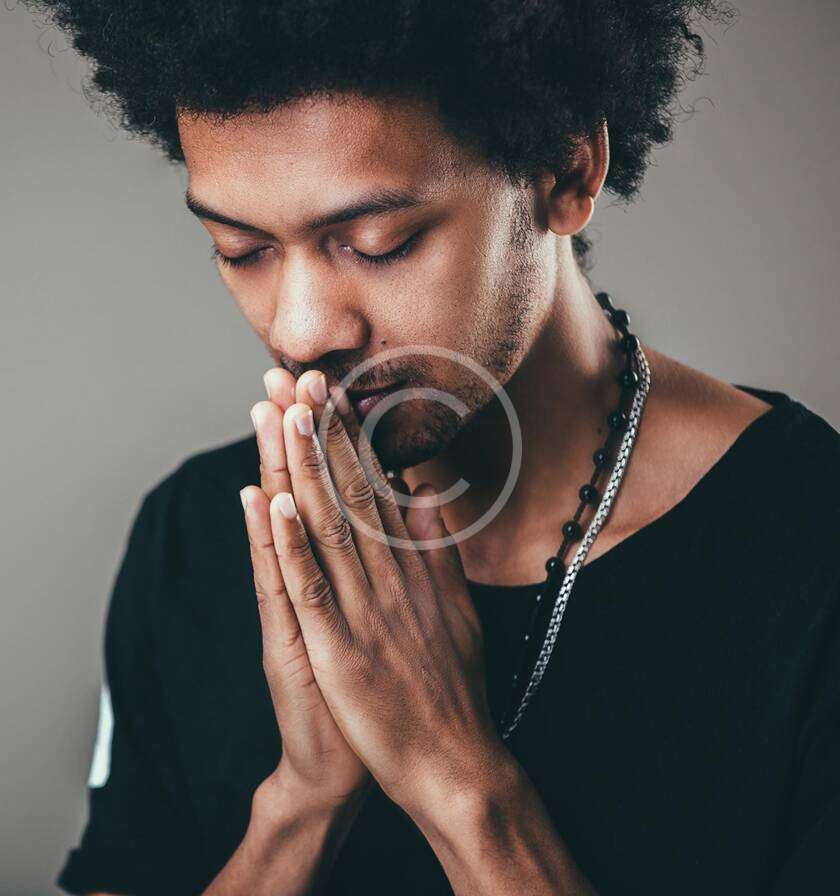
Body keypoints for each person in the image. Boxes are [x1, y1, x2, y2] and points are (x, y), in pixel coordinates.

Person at [24, 1, 839, 894]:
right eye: (242, 249)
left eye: (379, 243)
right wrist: (302, 803)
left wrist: (460, 783)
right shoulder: (191, 533)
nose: (300, 330)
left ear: (566, 170)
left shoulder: (810, 559)